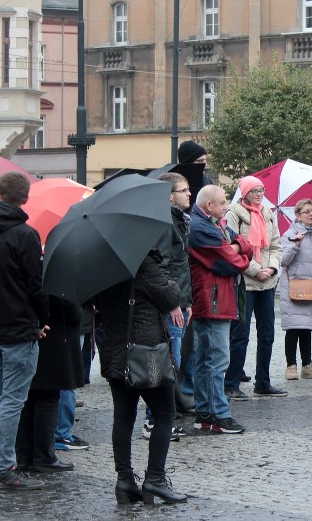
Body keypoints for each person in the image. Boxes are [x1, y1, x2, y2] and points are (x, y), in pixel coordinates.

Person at [0, 171, 49, 490]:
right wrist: (40, 319)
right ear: (25, 198)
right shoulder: (25, 234)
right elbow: (36, 285)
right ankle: (3, 466)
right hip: (18, 327)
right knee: (11, 398)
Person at [94, 251, 186, 505]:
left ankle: (124, 481)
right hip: (149, 355)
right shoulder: (141, 260)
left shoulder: (100, 262)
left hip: (115, 352)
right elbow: (171, 295)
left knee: (123, 416)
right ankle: (155, 479)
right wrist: (168, 276)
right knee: (165, 412)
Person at [189, 185, 253, 434]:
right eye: (223, 201)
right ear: (209, 206)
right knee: (217, 359)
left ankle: (205, 412)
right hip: (212, 299)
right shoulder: (201, 227)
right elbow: (232, 262)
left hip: (214, 299)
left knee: (207, 359)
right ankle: (219, 414)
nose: (227, 205)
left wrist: (235, 248)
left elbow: (242, 245)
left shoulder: (213, 224)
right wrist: (236, 251)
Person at [140, 172, 193, 440]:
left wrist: (186, 301)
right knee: (163, 363)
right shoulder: (164, 223)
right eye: (183, 190)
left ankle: (161, 417)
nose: (189, 194)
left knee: (172, 362)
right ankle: (154, 419)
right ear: (169, 195)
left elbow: (181, 265)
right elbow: (162, 268)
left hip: (178, 301)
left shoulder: (178, 220)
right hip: (167, 305)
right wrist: (174, 302)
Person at [224, 176, 285, 399]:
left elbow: (277, 247)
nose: (259, 194)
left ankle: (263, 382)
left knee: (267, 334)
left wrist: (271, 269)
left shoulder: (268, 214)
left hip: (267, 281)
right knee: (240, 334)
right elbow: (232, 248)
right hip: (245, 282)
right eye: (255, 191)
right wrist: (255, 270)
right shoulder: (233, 214)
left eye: (262, 190)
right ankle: (231, 384)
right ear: (245, 192)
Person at [16, 296, 81, 473]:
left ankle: (25, 455)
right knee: (47, 398)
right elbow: (69, 307)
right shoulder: (54, 276)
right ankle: (43, 456)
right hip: (53, 338)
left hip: (30, 333)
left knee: (29, 399)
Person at [280, 199, 312, 381]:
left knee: (306, 327)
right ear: (297, 215)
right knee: (293, 327)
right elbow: (283, 260)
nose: (311, 214)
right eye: (307, 212)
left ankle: (307, 365)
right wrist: (295, 245)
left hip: (311, 286)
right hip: (294, 287)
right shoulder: (290, 234)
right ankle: (291, 365)